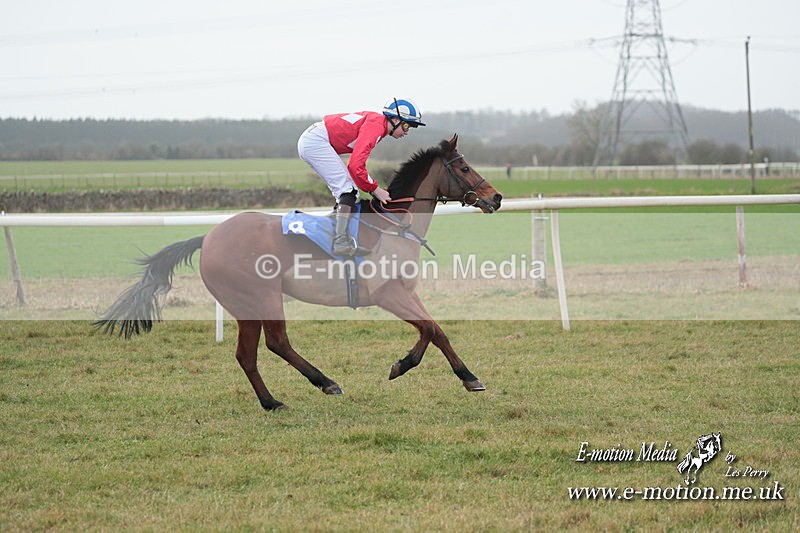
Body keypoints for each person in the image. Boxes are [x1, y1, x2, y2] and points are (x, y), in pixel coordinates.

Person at [297, 98, 425, 256]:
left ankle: (339, 235)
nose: (406, 132)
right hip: (316, 142)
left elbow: (356, 167)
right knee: (348, 190)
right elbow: (355, 166)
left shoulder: (377, 125)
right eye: (406, 125)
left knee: (348, 191)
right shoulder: (376, 127)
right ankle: (340, 241)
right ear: (395, 119)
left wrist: (372, 187)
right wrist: (375, 189)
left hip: (315, 141)